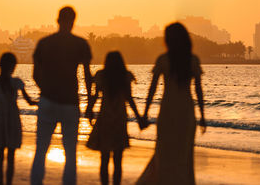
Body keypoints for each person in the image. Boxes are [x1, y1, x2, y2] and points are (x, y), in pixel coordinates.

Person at [136, 22, 206, 185]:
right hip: (186, 114)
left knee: (164, 154)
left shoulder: (163, 60)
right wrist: (202, 116)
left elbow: (152, 90)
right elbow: (198, 90)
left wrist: (145, 114)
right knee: (184, 157)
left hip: (168, 112)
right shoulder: (192, 60)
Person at [30, 6, 92, 185]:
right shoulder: (80, 44)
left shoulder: (44, 43)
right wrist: (90, 102)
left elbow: (35, 74)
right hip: (70, 102)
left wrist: (47, 89)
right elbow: (87, 76)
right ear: (73, 21)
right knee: (70, 152)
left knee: (41, 149)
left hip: (48, 100)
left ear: (57, 20)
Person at [86, 51, 145, 185]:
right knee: (118, 159)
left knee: (104, 158)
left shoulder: (101, 76)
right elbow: (129, 98)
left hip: (105, 117)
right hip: (119, 118)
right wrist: (139, 117)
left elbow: (95, 96)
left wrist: (89, 110)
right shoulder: (125, 76)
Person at [0, 52, 38, 185]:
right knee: (11, 157)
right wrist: (43, 102)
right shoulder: (16, 82)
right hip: (13, 121)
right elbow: (29, 102)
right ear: (12, 66)